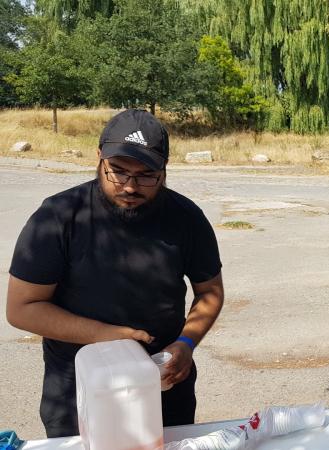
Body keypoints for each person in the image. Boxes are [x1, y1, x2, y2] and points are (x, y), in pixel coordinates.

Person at [6, 109, 224, 437]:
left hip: (163, 388)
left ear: (164, 169)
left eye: (146, 175)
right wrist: (108, 335)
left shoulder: (187, 218)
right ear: (99, 158)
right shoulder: (58, 217)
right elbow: (22, 308)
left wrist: (186, 343)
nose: (130, 187)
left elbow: (210, 292)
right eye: (118, 172)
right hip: (80, 389)